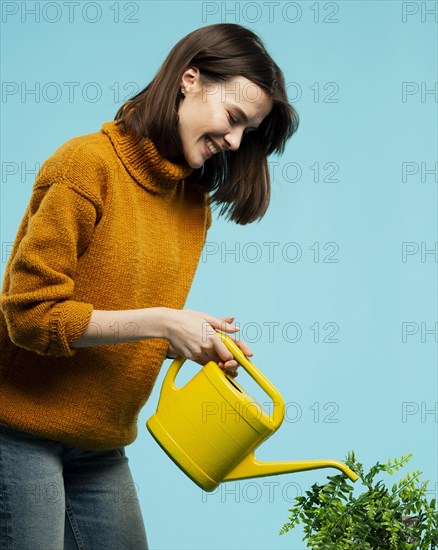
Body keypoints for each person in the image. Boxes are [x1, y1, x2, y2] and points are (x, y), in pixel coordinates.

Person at [0, 23, 298, 550]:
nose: (234, 141)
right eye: (233, 118)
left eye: (247, 132)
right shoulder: (85, 166)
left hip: (101, 444)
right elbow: (29, 316)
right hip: (18, 431)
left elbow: (117, 324)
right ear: (190, 79)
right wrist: (163, 321)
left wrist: (188, 340)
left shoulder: (192, 208)